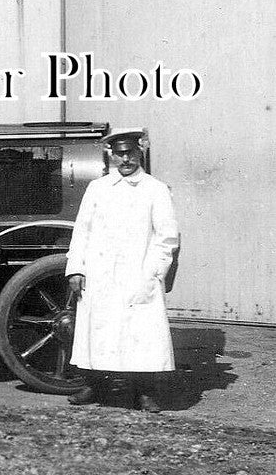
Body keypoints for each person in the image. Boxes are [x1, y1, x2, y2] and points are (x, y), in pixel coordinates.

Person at [65, 129, 180, 413]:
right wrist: (76, 268)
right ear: (111, 155)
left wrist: (153, 273)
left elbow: (167, 237)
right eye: (120, 154)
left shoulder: (156, 189)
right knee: (99, 330)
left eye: (131, 153)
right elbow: (82, 231)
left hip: (139, 272)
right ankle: (94, 385)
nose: (126, 159)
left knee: (140, 333)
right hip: (100, 272)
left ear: (139, 153)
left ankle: (145, 393)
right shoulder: (98, 188)